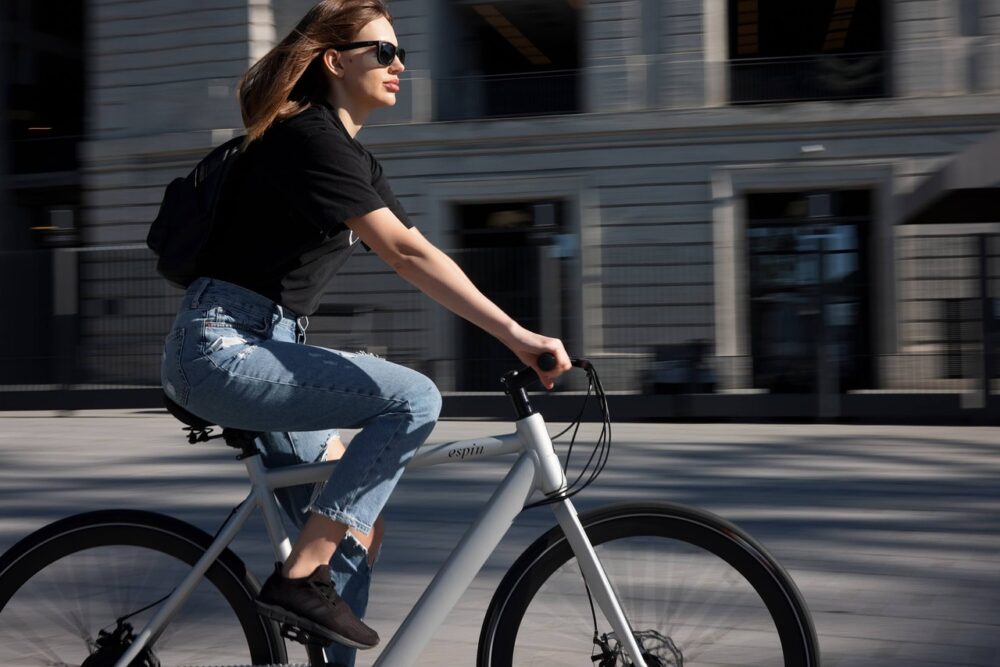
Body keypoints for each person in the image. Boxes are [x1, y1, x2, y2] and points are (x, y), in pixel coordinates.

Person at [159, 1, 571, 665]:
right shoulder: (305, 137)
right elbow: (404, 259)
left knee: (355, 531)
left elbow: (419, 246)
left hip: (265, 346)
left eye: (400, 52)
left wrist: (510, 330)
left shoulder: (345, 154)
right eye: (382, 51)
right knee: (412, 398)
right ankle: (299, 578)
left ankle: (313, 583)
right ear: (334, 61)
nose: (398, 64)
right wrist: (518, 333)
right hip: (224, 347)